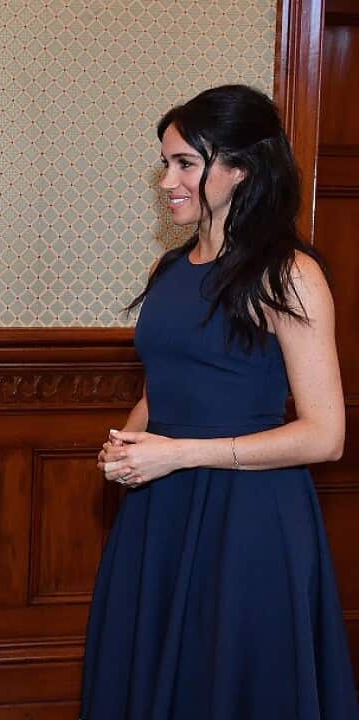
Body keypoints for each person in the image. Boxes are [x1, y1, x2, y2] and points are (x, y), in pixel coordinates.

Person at [84, 84, 358, 720]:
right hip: (160, 510)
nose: (167, 180)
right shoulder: (169, 272)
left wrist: (177, 455)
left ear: (238, 168)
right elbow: (161, 390)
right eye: (165, 162)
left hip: (250, 517)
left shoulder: (288, 273)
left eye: (185, 163)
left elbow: (326, 436)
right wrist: (126, 446)